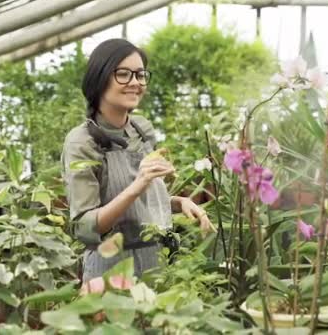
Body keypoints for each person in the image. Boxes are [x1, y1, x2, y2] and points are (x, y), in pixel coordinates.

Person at [61, 38, 214, 283]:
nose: (135, 83)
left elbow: (141, 203)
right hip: (110, 270)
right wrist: (138, 184)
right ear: (99, 79)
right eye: (123, 74)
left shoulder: (141, 130)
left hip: (157, 264)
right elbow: (85, 226)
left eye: (140, 75)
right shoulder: (82, 142)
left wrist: (177, 202)